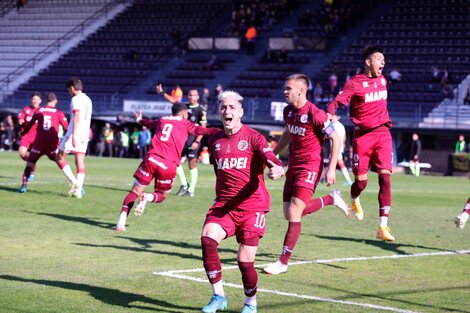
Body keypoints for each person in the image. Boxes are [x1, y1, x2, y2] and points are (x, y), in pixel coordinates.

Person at [200, 90, 285, 313]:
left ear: (241, 112)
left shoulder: (254, 137)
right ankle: (218, 296)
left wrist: (278, 168)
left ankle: (250, 303)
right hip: (224, 205)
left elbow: (273, 160)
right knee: (208, 239)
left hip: (252, 206)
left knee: (244, 261)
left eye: (232, 108)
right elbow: (218, 170)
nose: (227, 111)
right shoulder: (215, 140)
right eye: (223, 108)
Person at [263, 74, 350, 275]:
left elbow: (335, 139)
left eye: (288, 89)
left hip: (311, 165)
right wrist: (273, 154)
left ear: (301, 91)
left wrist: (331, 168)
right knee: (289, 213)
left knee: (294, 211)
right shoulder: (288, 111)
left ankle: (283, 262)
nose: (285, 92)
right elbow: (288, 134)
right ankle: (331, 199)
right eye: (285, 88)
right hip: (293, 164)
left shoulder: (316, 114)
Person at [326, 46, 395, 242]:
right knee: (362, 182)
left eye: (383, 60)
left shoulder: (383, 80)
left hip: (383, 134)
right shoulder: (354, 84)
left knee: (386, 178)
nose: (383, 63)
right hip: (363, 137)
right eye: (379, 59)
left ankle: (383, 225)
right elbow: (337, 102)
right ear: (368, 61)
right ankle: (354, 197)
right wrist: (329, 114)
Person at [115, 104, 218, 231]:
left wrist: (139, 120)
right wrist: (223, 130)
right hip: (168, 164)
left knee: (135, 191)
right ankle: (147, 197)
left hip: (151, 159)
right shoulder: (186, 123)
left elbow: (148, 123)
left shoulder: (162, 120)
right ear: (184, 114)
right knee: (162, 195)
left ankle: (121, 222)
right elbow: (204, 131)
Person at [156, 83, 207, 197]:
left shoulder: (200, 110)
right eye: (190, 95)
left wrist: (197, 141)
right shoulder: (184, 107)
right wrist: (162, 92)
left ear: (198, 97)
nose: (191, 97)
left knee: (192, 163)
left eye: (194, 95)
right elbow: (173, 101)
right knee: (175, 161)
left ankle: (191, 190)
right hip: (181, 138)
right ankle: (184, 184)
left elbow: (203, 128)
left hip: (193, 139)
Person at [18, 93, 71, 193]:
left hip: (39, 143)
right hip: (51, 144)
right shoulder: (58, 112)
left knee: (30, 162)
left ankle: (24, 186)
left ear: (44, 100)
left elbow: (30, 124)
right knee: (61, 160)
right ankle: (75, 183)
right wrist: (69, 138)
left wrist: (22, 132)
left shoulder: (39, 111)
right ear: (55, 101)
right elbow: (66, 127)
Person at [57, 77, 93, 198]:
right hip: (85, 134)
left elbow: (77, 116)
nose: (69, 92)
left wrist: (74, 135)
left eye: (69, 90)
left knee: (59, 157)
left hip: (74, 133)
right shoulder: (88, 99)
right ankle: (78, 191)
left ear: (72, 88)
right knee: (80, 162)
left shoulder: (76, 99)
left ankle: (74, 184)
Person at [18, 91, 42, 181]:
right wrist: (20, 120)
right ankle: (31, 165)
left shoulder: (42, 111)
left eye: (37, 99)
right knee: (22, 152)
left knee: (33, 156)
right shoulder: (26, 109)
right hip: (26, 136)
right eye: (33, 99)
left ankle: (32, 170)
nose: (35, 101)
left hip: (37, 138)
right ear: (31, 100)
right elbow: (21, 117)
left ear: (40, 101)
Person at [331, 114, 353, 185]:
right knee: (332, 163)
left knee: (339, 163)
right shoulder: (341, 126)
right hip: (338, 146)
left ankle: (348, 180)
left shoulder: (334, 125)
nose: (332, 117)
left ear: (337, 117)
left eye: (334, 116)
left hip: (336, 147)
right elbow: (344, 137)